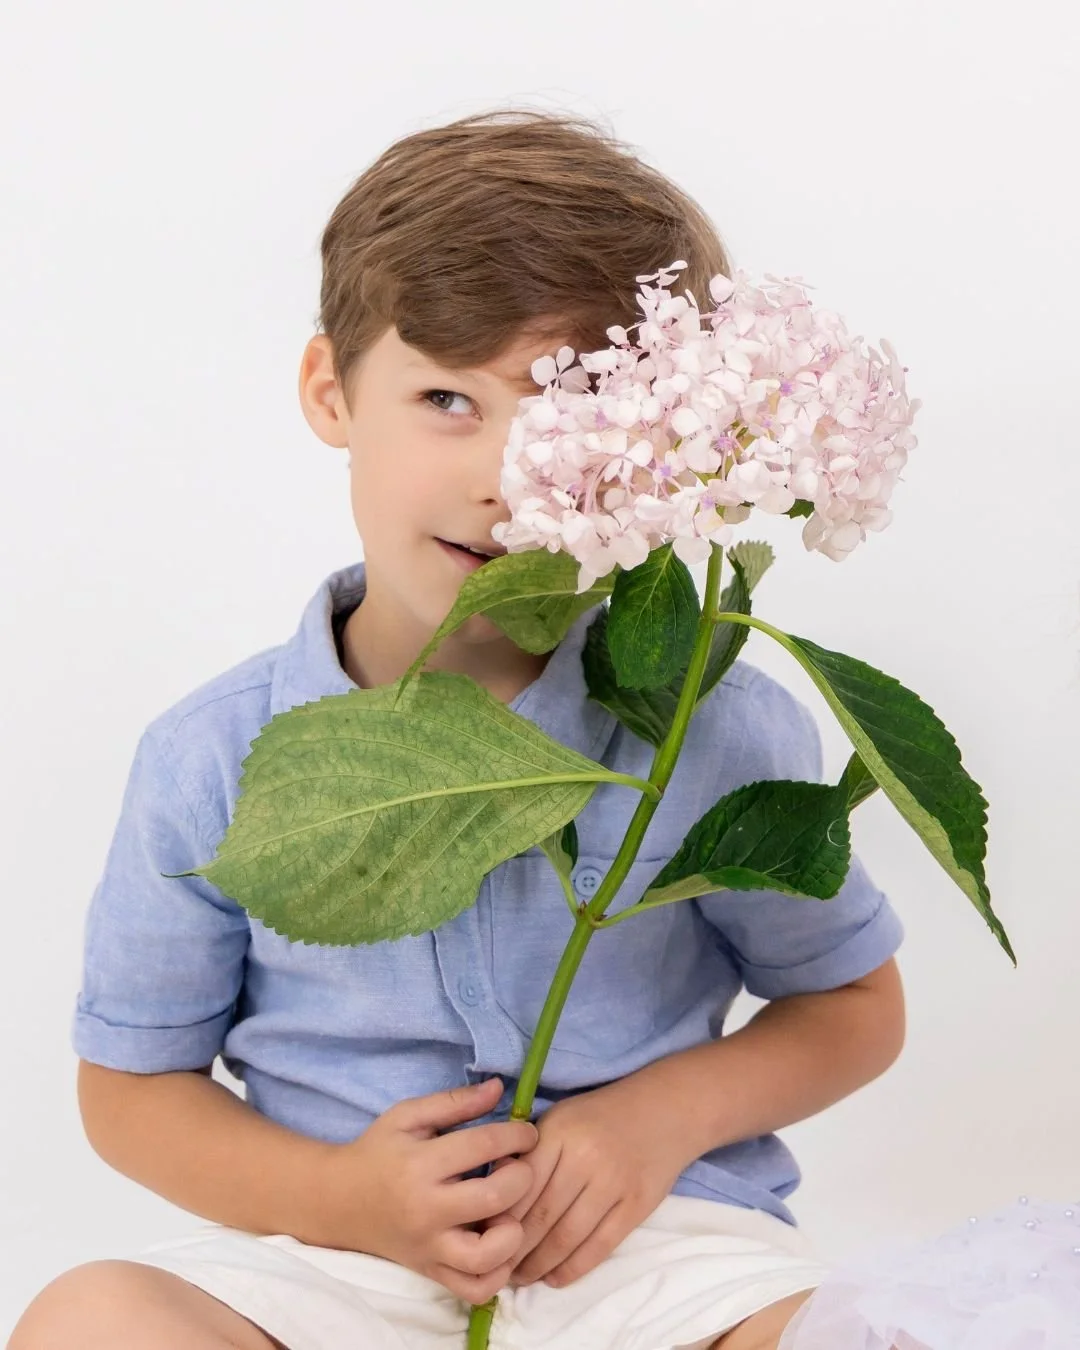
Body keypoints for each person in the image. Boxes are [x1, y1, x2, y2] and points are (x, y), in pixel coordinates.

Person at [8, 109, 907, 1350]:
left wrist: (655, 1122)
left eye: (572, 423)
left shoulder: (716, 729)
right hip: (326, 1264)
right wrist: (337, 1197)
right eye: (446, 398)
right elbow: (129, 1089)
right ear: (331, 390)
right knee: (90, 1318)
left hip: (652, 1252)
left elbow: (854, 1002)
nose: (506, 477)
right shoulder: (211, 755)